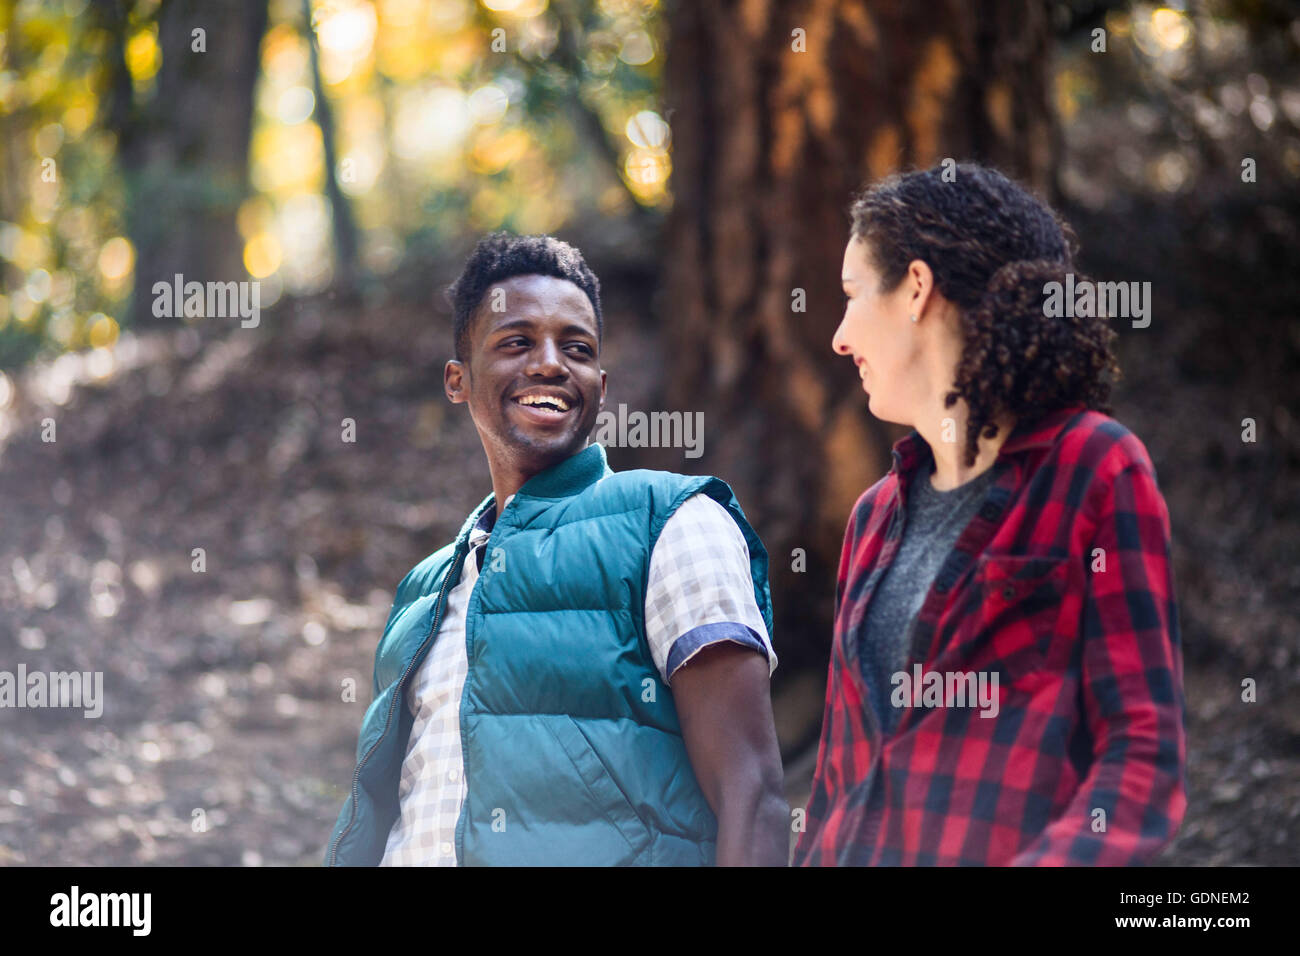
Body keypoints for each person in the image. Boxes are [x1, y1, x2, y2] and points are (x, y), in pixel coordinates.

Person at [325, 232, 788, 866]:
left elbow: (752, 793)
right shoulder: (424, 589)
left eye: (576, 348)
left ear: (600, 383)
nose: (549, 364)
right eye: (516, 342)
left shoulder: (672, 522)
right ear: (457, 381)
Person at [794, 163, 1187, 865]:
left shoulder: (1096, 470)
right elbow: (834, 780)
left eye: (852, 296)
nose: (839, 337)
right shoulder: (872, 517)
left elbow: (1141, 757)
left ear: (915, 288)